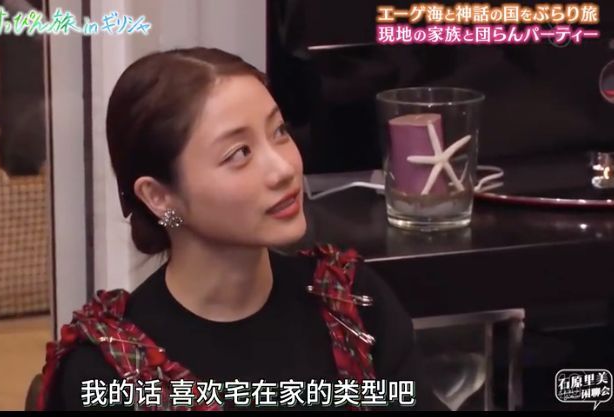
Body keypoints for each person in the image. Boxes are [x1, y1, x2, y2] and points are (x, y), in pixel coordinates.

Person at [36, 47, 449, 411]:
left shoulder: (351, 304)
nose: (283, 168)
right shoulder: (108, 369)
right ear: (159, 197)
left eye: (279, 132)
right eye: (239, 153)